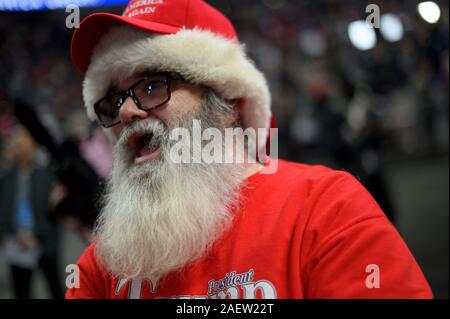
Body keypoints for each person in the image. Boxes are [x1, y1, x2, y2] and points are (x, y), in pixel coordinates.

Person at [66, 0, 432, 299]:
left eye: (151, 87)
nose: (126, 111)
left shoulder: (326, 211)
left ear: (228, 105)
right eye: (112, 101)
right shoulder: (103, 266)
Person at [0, 126, 64, 299]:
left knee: (55, 287)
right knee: (21, 291)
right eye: (16, 141)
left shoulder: (46, 175)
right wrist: (16, 234)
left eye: (23, 139)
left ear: (33, 144)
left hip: (44, 243)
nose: (19, 144)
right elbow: (3, 211)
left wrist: (35, 235)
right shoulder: (6, 177)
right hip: (17, 244)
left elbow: (52, 213)